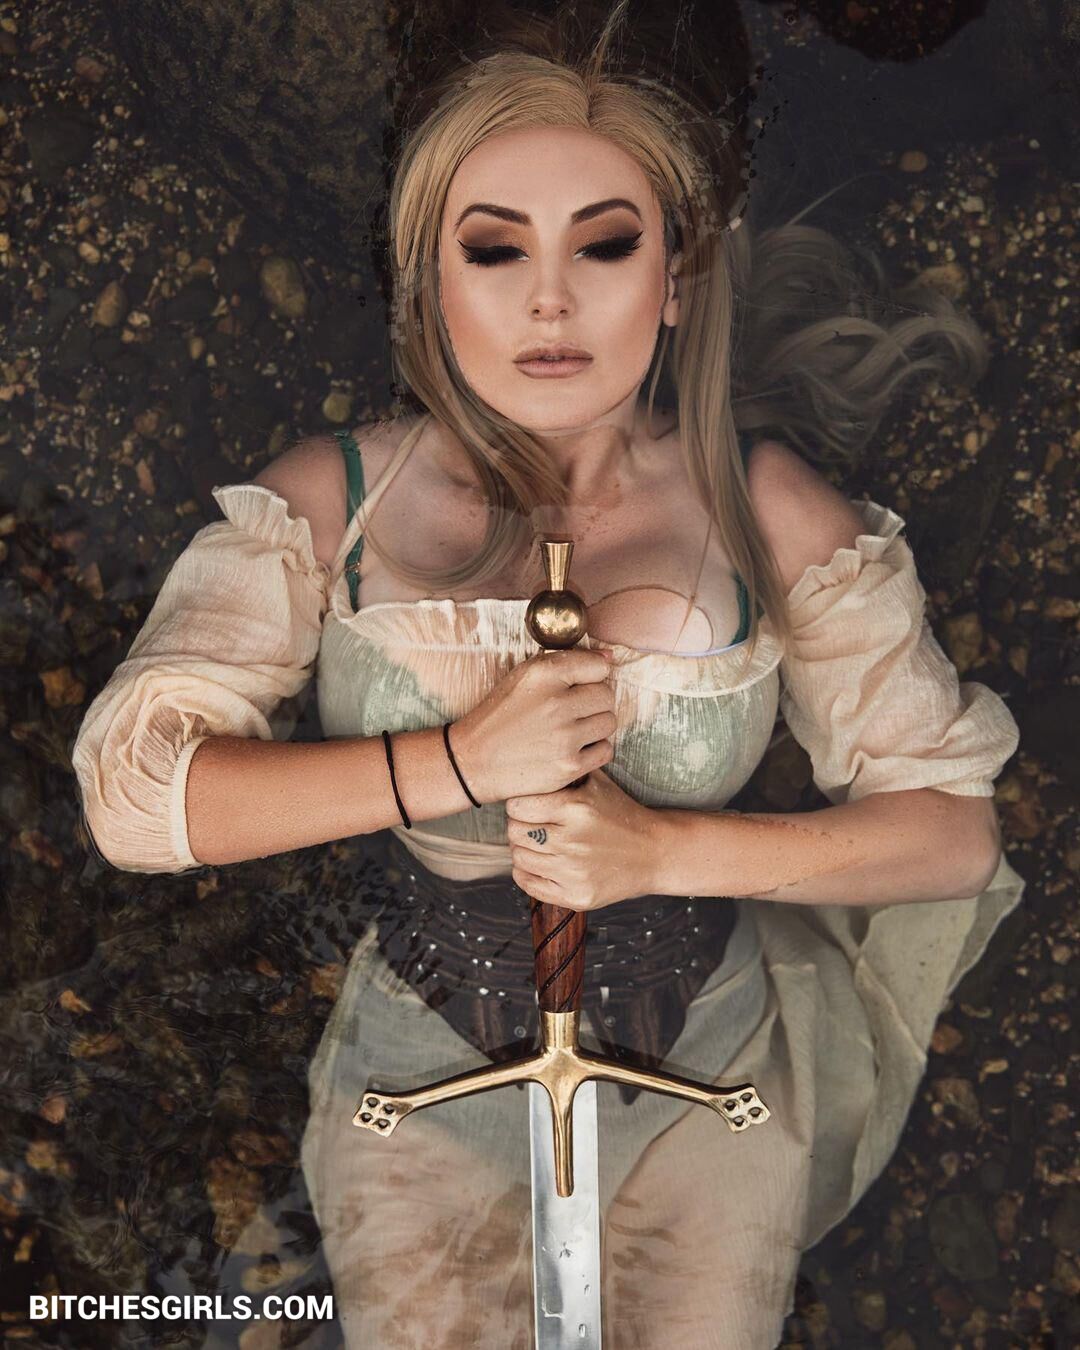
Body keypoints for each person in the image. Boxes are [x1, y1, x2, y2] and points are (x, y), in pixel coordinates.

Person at [71, 3, 1026, 1344]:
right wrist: (457, 761)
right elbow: (135, 800)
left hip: (712, 1062)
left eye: (606, 243)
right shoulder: (338, 502)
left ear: (677, 275)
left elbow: (953, 833)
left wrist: (664, 849)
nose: (550, 300)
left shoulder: (764, 509)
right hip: (421, 1061)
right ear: (431, 280)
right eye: (495, 247)